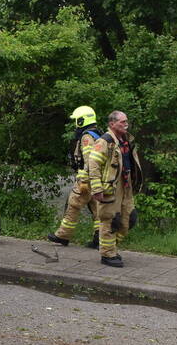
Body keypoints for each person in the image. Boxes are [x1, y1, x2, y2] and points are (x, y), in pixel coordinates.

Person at [87, 110, 143, 268]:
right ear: (112, 124)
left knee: (129, 219)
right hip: (109, 188)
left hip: (125, 187)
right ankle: (107, 254)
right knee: (109, 220)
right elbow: (93, 165)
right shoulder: (104, 142)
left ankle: (110, 246)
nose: (126, 124)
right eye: (122, 122)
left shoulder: (125, 140)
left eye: (126, 121)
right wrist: (97, 188)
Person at [47, 106, 103, 249]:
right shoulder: (98, 133)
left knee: (73, 204)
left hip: (87, 180)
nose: (75, 124)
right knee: (97, 209)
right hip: (98, 179)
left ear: (82, 121)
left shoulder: (86, 137)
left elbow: (90, 160)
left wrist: (83, 179)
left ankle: (63, 236)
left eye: (76, 120)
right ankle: (99, 239)